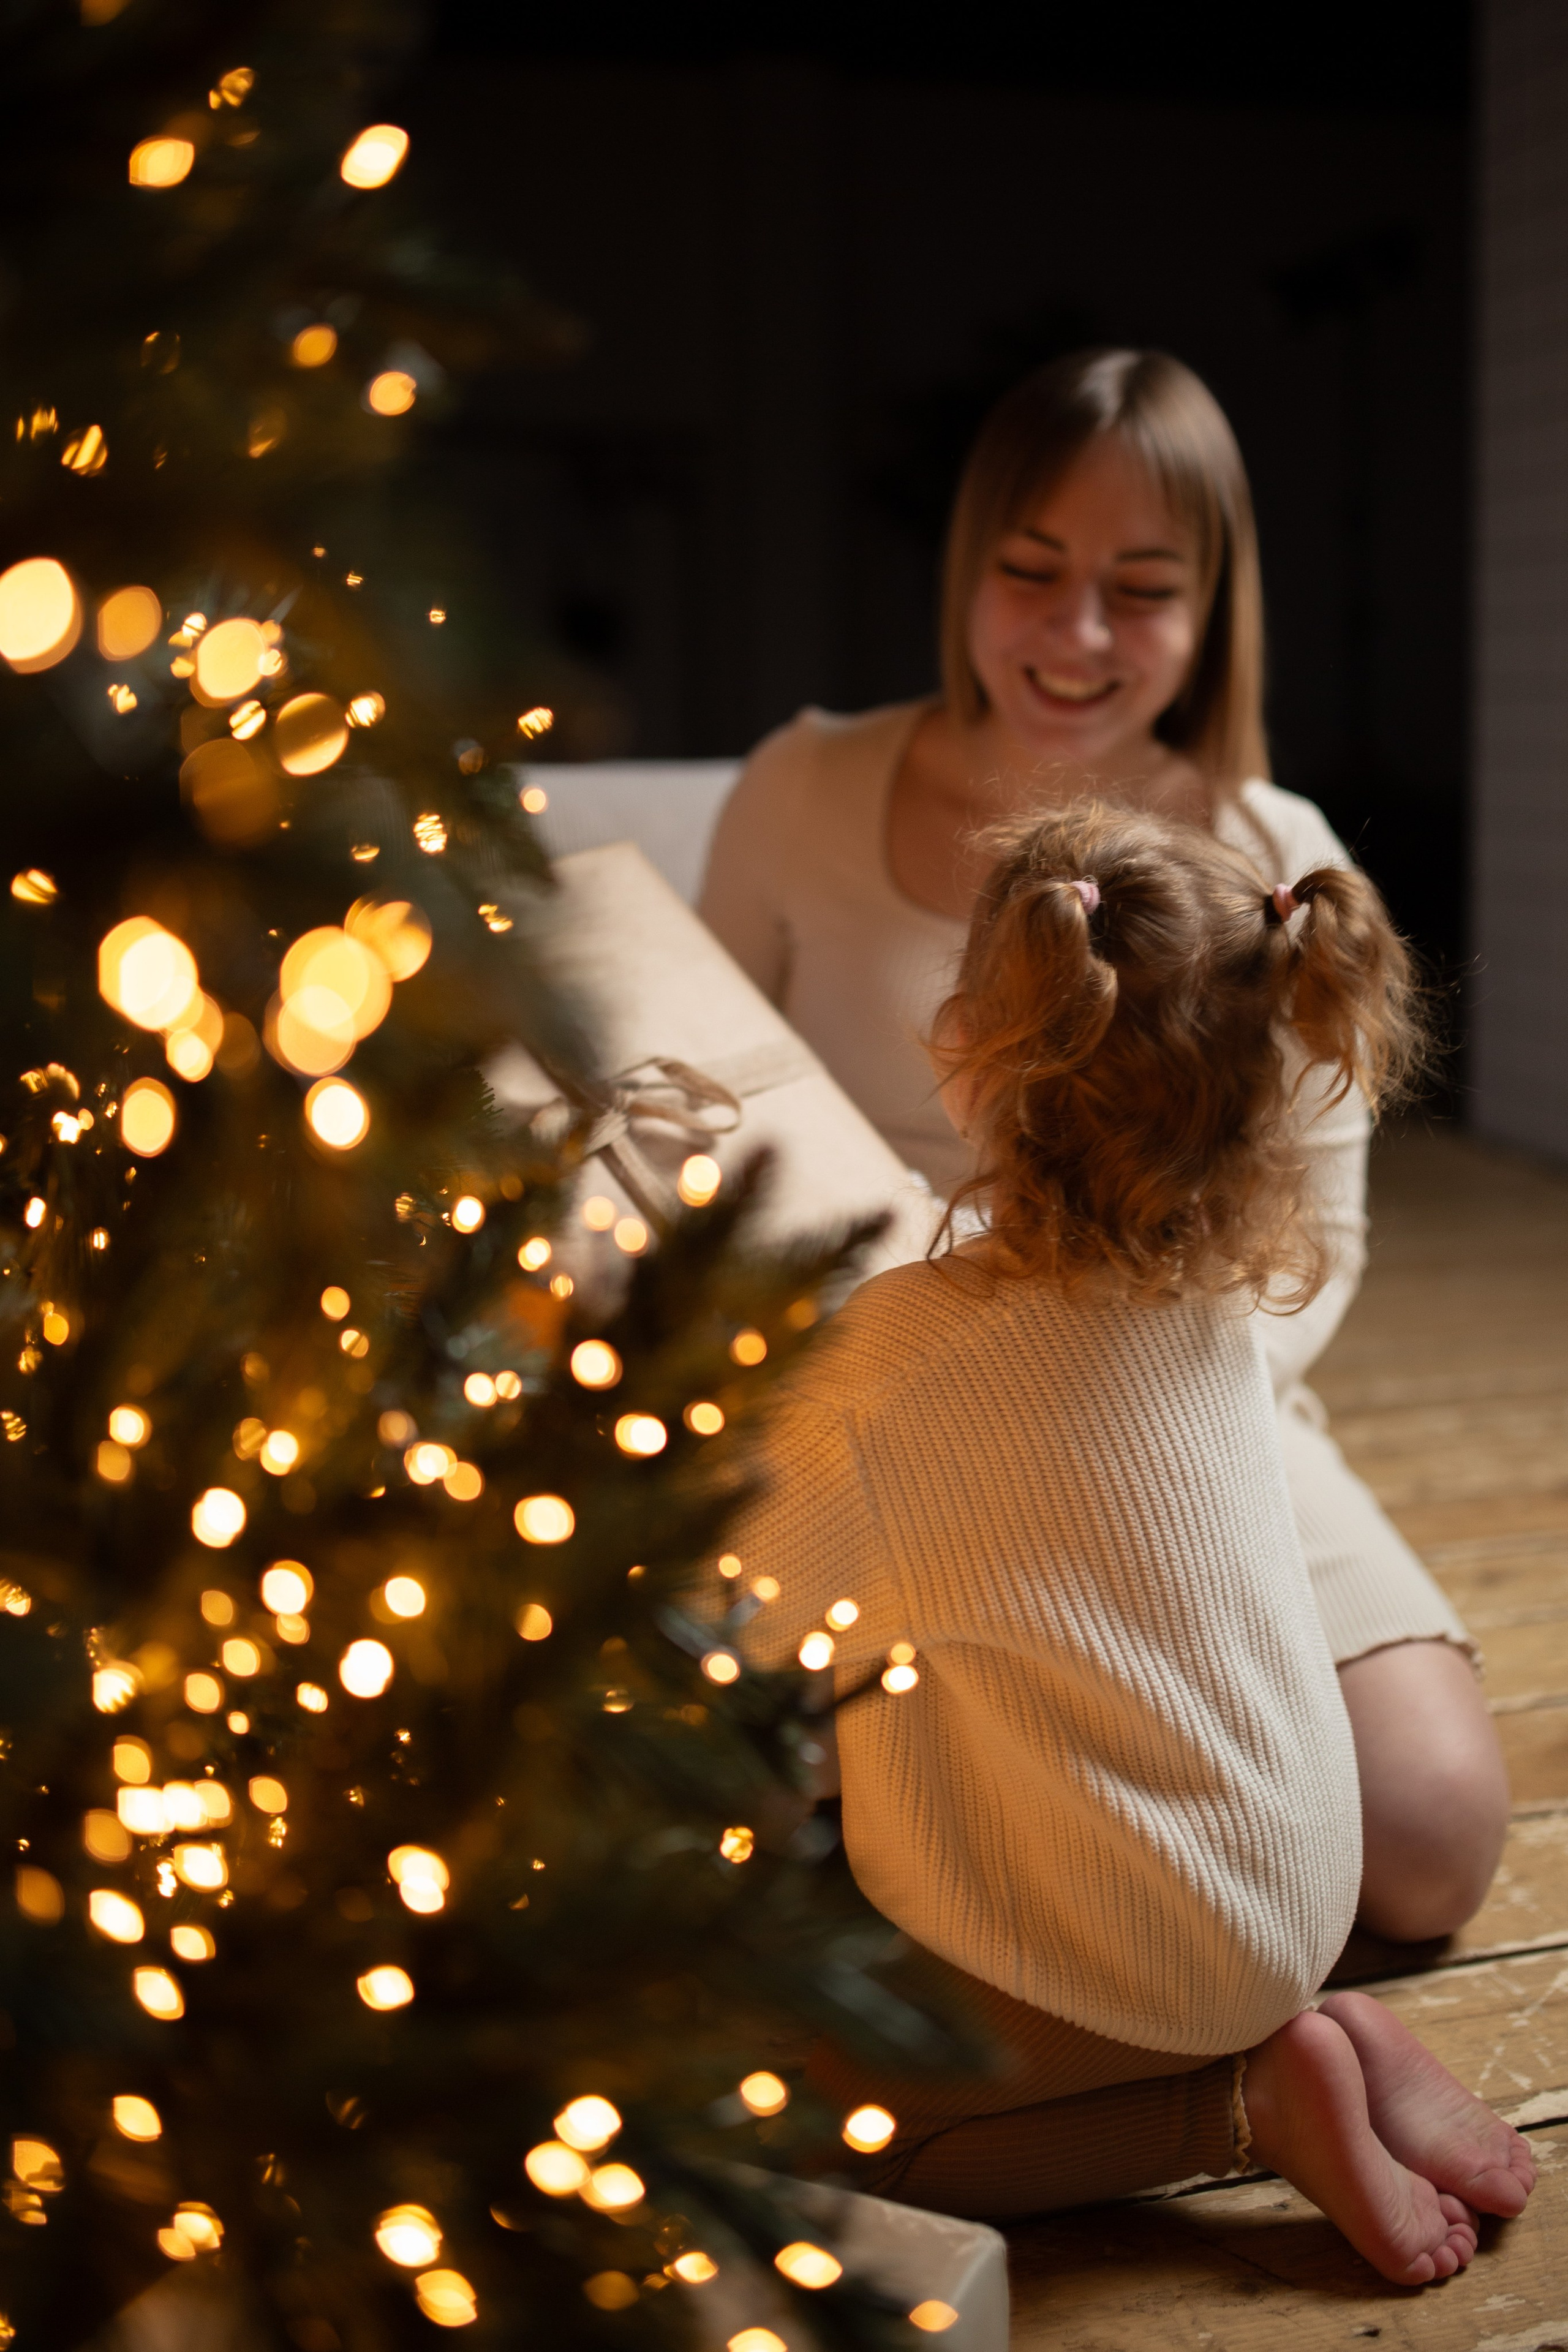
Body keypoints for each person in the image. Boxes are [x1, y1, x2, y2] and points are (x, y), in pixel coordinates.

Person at [700, 348, 1507, 1947]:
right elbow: (705, 1093)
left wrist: (1102, 1412)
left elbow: (1318, 1249)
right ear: (967, 569)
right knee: (748, 1800)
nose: (1077, 637)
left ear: (1213, 606)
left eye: (1140, 590)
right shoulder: (804, 787)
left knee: (1426, 1837)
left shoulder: (1282, 870)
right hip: (852, 1379)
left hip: (1183, 1376)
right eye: (1033, 573)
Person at [728, 804, 1535, 2271]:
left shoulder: (893, 1363)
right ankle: (1321, 2021)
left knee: (771, 2107)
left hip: (1142, 1956)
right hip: (1295, 1894)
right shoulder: (1208, 1303)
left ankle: (1245, 2108)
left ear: (964, 1041)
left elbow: (753, 1624)